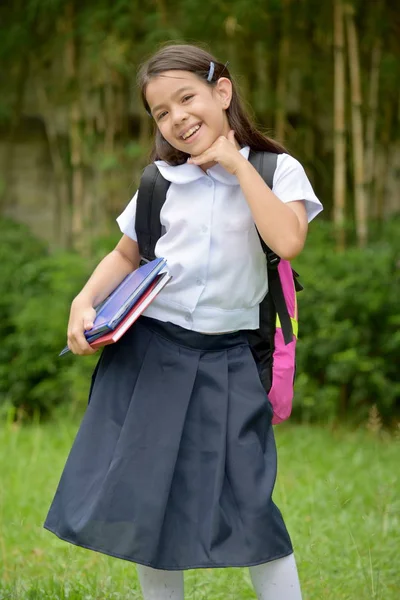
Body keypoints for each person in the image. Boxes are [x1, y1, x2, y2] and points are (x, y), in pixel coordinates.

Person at [44, 44, 323, 600]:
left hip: (231, 358)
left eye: (186, 98)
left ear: (222, 92)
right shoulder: (159, 181)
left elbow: (288, 240)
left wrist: (237, 165)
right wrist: (84, 299)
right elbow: (127, 255)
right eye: (161, 112)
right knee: (150, 497)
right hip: (151, 353)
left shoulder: (275, 168)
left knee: (250, 498)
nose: (177, 118)